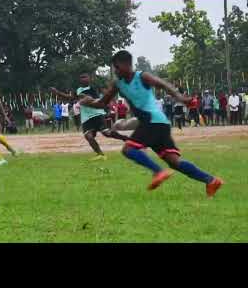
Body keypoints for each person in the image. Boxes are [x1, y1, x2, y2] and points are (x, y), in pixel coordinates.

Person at [80, 50, 223, 197]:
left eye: (117, 67)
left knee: (128, 149)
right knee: (174, 162)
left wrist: (181, 98)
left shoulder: (142, 76)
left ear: (127, 64)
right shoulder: (118, 84)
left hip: (152, 121)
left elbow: (163, 85)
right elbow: (103, 102)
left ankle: (158, 171)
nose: (115, 71)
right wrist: (89, 102)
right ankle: (211, 180)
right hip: (159, 123)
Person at [50, 73, 129, 162]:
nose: (83, 79)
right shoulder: (78, 90)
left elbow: (92, 98)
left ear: (89, 79)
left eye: (85, 77)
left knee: (107, 133)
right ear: (80, 80)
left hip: (97, 114)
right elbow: (71, 98)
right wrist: (57, 92)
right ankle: (100, 155)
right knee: (88, 136)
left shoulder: (93, 89)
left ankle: (125, 138)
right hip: (86, 117)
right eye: (82, 77)